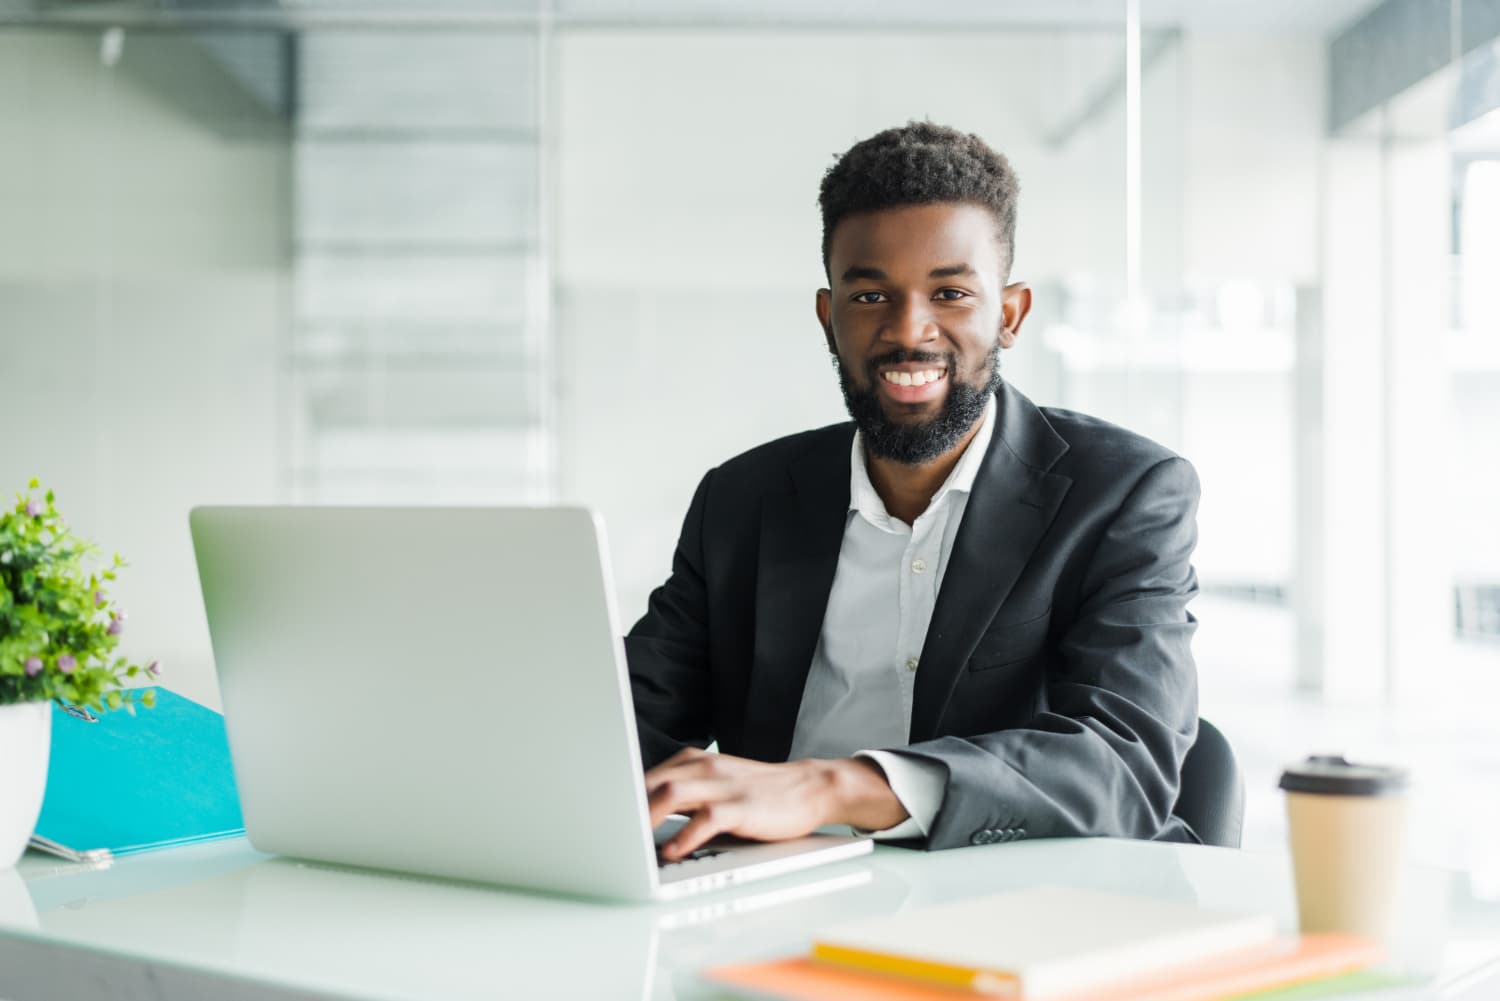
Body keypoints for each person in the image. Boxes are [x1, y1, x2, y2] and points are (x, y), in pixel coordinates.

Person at [628, 122, 1201, 861]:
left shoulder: (1125, 494)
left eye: (951, 292)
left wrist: (830, 788)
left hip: (1011, 903)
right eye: (870, 294)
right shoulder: (743, 499)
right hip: (766, 895)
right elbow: (631, 720)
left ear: (1011, 313)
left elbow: (1124, 764)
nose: (908, 330)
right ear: (829, 319)